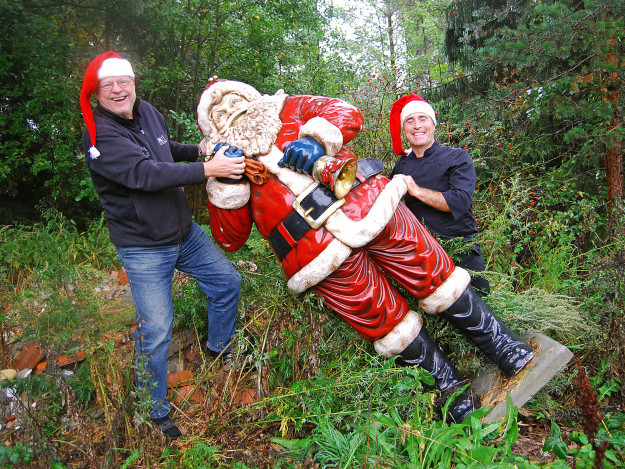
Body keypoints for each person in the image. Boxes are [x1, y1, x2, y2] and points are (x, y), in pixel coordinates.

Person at [196, 78, 534, 423]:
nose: (231, 111)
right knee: (382, 318)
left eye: (235, 100)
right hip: (315, 254)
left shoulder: (289, 108)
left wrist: (316, 140)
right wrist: (225, 181)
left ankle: (503, 345)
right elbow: (230, 239)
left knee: (434, 275)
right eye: (218, 113)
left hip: (370, 206)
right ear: (211, 129)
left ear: (251, 97)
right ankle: (450, 391)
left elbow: (346, 112)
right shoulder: (222, 165)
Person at [80, 52, 244, 440]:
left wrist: (200, 150)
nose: (119, 90)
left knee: (227, 283)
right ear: (97, 92)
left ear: (134, 82)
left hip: (183, 233)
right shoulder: (99, 134)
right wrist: (210, 169)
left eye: (125, 81)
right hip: (143, 247)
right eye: (109, 85)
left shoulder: (147, 111)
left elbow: (163, 149)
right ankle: (153, 408)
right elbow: (145, 173)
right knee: (156, 331)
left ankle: (218, 347)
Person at [389, 94, 490, 296]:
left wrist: (414, 190)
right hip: (419, 259)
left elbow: (459, 202)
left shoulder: (457, 157)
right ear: (404, 129)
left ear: (433, 125)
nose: (417, 125)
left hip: (460, 253)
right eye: (410, 121)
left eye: (423, 119)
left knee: (479, 316)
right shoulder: (402, 165)